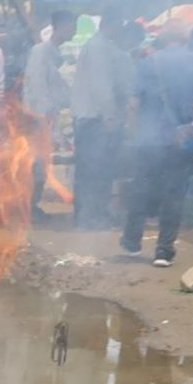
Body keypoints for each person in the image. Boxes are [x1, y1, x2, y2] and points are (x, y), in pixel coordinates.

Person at [121, 26, 193, 267]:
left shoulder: (146, 63)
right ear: (185, 39)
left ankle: (131, 241)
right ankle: (163, 251)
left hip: (148, 140)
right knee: (174, 195)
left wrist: (135, 134)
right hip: (180, 142)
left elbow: (132, 105)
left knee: (141, 188)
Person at [69, 12, 135, 230]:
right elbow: (101, 85)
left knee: (96, 169)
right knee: (95, 169)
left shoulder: (101, 46)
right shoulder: (98, 47)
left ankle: (91, 216)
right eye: (119, 26)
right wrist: (109, 114)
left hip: (92, 117)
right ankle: (89, 218)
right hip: (94, 118)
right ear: (112, 24)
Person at [22, 13, 72, 216]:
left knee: (42, 163)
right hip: (37, 120)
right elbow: (36, 86)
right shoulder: (40, 51)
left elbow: (57, 88)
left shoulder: (53, 53)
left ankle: (32, 206)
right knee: (35, 164)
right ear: (60, 26)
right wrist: (42, 118)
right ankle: (28, 207)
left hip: (47, 119)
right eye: (71, 25)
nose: (74, 31)